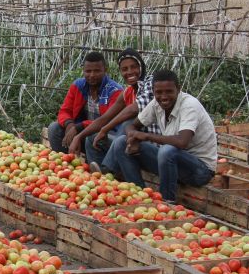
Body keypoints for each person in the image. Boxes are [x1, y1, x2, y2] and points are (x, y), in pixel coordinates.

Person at [102, 69, 217, 202]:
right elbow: (131, 125)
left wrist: (146, 136)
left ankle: (167, 203)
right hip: (172, 165)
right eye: (159, 92)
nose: (163, 97)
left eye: (169, 91)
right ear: (154, 91)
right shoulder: (156, 103)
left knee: (167, 150)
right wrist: (132, 136)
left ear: (178, 89)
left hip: (200, 170)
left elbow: (182, 142)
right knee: (121, 142)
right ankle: (140, 196)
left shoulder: (189, 106)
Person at [70, 48, 161, 167]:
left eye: (134, 67)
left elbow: (135, 108)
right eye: (124, 69)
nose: (129, 72)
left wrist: (105, 129)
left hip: (153, 145)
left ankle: (106, 169)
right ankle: (97, 176)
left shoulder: (151, 82)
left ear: (141, 67)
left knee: (127, 123)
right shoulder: (127, 92)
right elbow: (104, 118)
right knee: (92, 137)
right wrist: (79, 136)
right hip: (130, 143)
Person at [48, 51, 124, 154]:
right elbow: (65, 111)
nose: (92, 75)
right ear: (83, 71)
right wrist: (70, 125)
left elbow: (106, 121)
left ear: (105, 70)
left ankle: (98, 167)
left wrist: (79, 127)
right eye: (88, 71)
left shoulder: (115, 91)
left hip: (106, 134)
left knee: (93, 136)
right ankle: (65, 162)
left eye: (97, 71)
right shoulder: (78, 86)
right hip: (82, 132)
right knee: (54, 128)